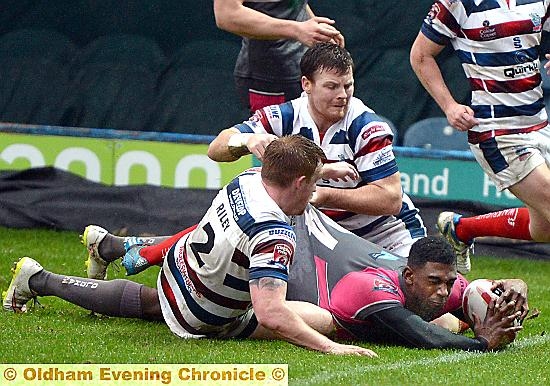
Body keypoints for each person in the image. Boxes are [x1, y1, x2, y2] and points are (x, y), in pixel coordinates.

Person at [2, 136, 376, 357]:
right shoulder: (274, 234)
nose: (313, 193)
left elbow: (284, 173)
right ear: (297, 182)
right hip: (203, 316)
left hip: (177, 269)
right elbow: (271, 315)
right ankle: (60, 272)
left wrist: (323, 170)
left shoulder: (248, 179)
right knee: (323, 320)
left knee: (157, 298)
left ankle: (49, 276)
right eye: (311, 185)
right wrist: (332, 349)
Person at [208, 42, 426, 257]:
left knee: (415, 287)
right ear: (306, 84)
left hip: (385, 236)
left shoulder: (367, 127)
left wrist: (322, 195)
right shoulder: (284, 116)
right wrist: (246, 140)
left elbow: (391, 199)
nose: (342, 95)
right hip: (323, 236)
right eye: (332, 86)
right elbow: (216, 149)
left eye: (348, 85)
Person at [410, 1, 550, 274]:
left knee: (544, 228)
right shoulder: (457, 4)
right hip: (496, 131)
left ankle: (461, 229)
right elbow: (420, 55)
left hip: (538, 123)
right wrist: (450, 106)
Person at [213, 0, 345, 113]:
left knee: (311, 140)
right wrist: (297, 29)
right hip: (268, 78)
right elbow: (226, 15)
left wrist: (317, 31)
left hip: (305, 71)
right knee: (272, 142)